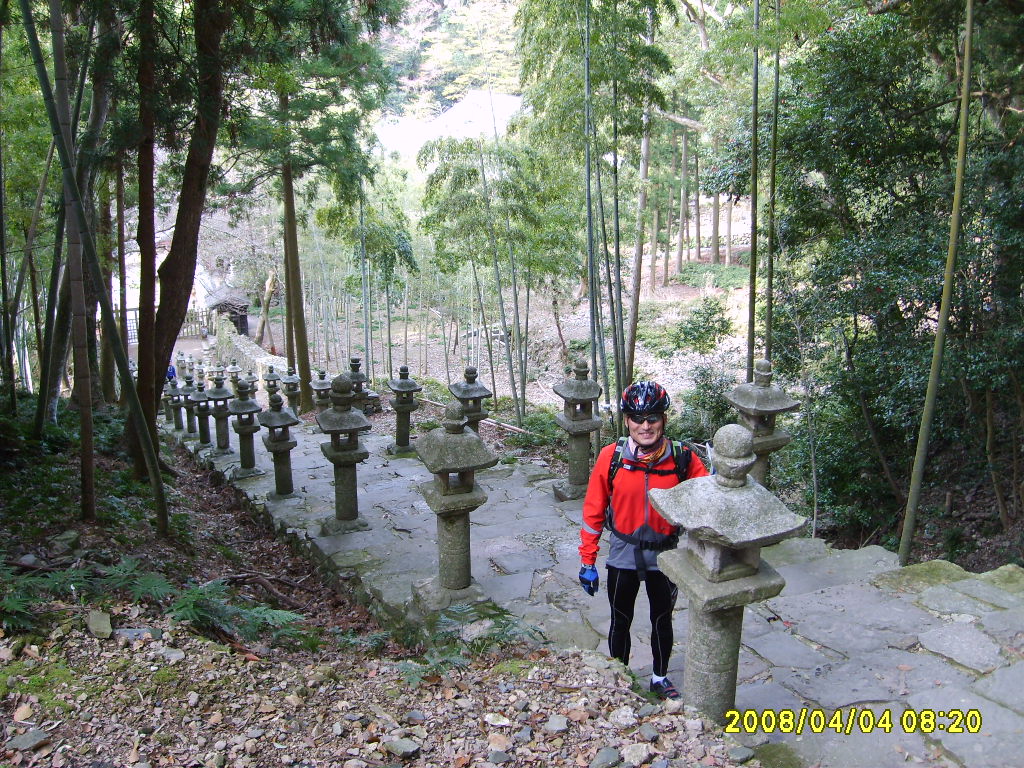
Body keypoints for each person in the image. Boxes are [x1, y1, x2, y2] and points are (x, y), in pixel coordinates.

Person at [578, 381, 709, 700]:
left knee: (662, 619)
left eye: (652, 418)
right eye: (638, 418)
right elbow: (594, 510)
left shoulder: (682, 459)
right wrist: (587, 560)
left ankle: (660, 677)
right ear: (627, 421)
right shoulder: (611, 458)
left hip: (666, 553)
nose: (645, 426)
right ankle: (619, 677)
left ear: (663, 420)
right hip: (623, 550)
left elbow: (707, 497)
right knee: (620, 619)